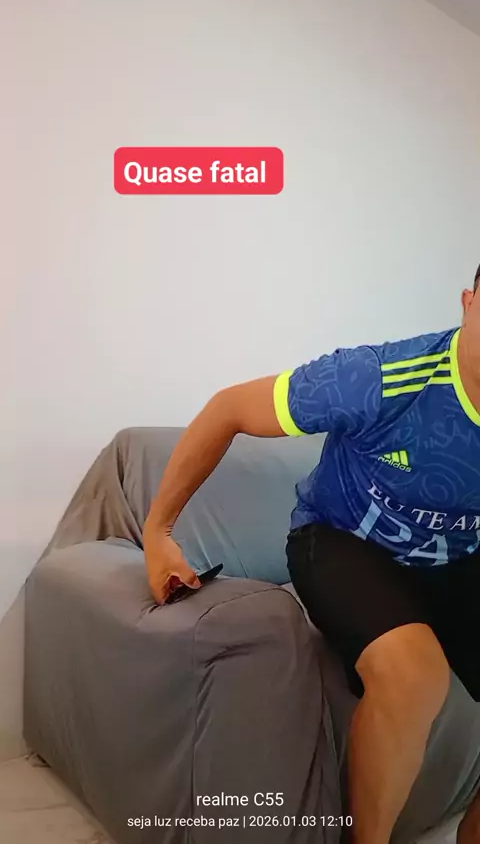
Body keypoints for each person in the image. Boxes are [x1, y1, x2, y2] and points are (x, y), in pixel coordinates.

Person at [143, 266, 480, 844]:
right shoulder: (377, 377)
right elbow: (229, 408)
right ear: (469, 302)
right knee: (414, 675)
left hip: (457, 559)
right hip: (341, 541)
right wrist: (159, 533)